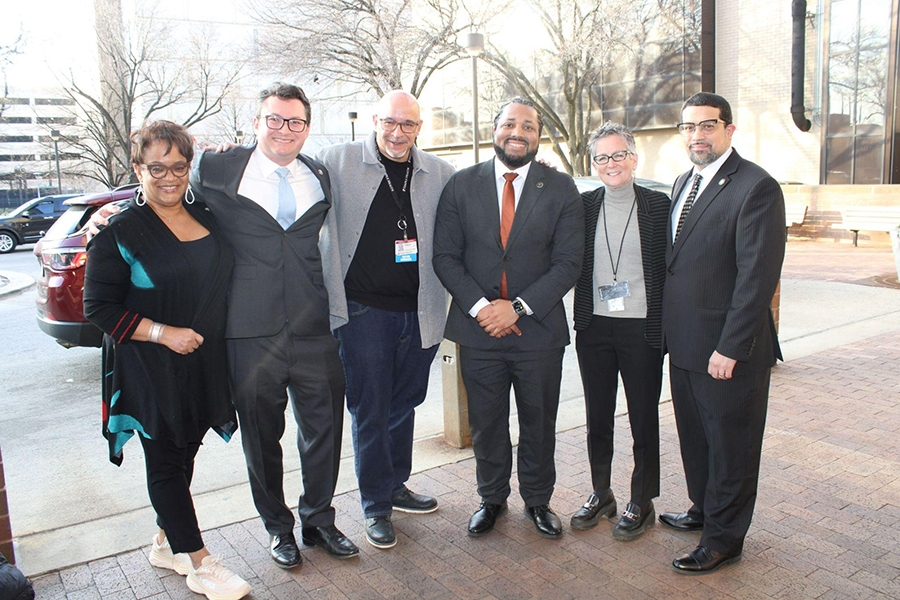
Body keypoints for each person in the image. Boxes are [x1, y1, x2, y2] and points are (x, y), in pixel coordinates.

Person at [188, 83, 357, 567]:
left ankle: (319, 519)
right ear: (256, 123)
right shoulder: (218, 167)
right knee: (262, 436)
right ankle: (278, 527)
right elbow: (167, 191)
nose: (284, 130)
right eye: (275, 120)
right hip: (247, 330)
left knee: (323, 428)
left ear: (307, 127)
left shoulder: (318, 173)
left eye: (295, 122)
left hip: (312, 325)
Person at [83, 121, 251, 600]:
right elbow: (98, 307)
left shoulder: (206, 213)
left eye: (179, 166)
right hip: (149, 363)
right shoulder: (121, 231)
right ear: (138, 168)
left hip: (202, 360)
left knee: (185, 451)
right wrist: (162, 333)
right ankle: (200, 562)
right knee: (164, 458)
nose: (169, 177)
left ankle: (165, 541)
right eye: (156, 168)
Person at [433, 98, 584, 539]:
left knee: (539, 421)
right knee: (486, 422)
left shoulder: (560, 188)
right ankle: (491, 498)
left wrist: (515, 308)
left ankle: (538, 500)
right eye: (509, 124)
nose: (518, 132)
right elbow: (445, 257)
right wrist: (484, 310)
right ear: (495, 129)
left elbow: (568, 262)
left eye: (529, 126)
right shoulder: (461, 185)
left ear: (539, 135)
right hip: (478, 333)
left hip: (538, 332)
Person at [317, 90, 455, 549]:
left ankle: (395, 485)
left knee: (404, 402)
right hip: (362, 313)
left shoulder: (439, 173)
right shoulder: (337, 162)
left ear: (420, 127)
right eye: (390, 123)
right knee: (371, 408)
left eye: (408, 125)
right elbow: (283, 175)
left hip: (420, 311)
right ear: (375, 120)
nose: (398, 134)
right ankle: (375, 504)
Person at [660, 92, 785, 574]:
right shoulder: (682, 182)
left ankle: (725, 538)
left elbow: (757, 277)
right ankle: (703, 511)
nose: (697, 135)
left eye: (707, 126)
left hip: (728, 350)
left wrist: (730, 346)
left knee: (731, 444)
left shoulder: (756, 187)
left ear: (729, 130)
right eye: (689, 127)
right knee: (695, 437)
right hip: (685, 343)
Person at [570, 122, 669, 540]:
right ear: (593, 164)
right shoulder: (583, 205)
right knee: (597, 418)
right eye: (602, 157)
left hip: (642, 330)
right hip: (594, 327)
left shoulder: (658, 206)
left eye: (618, 155)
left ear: (633, 158)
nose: (611, 164)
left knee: (644, 417)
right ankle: (601, 493)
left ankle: (642, 501)